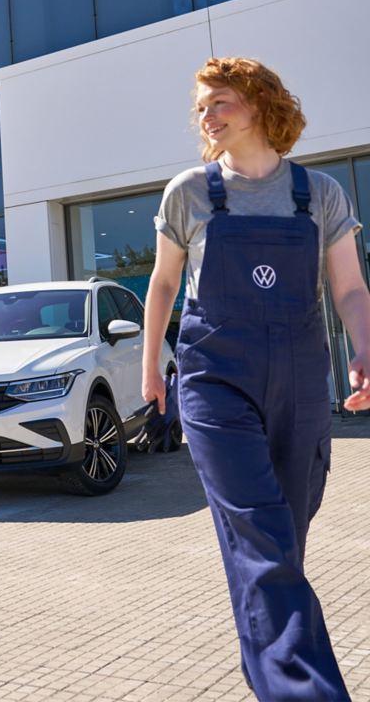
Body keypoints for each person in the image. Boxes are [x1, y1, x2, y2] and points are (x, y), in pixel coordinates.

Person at [141, 57, 370, 701]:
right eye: (201, 108)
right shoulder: (190, 191)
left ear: (260, 103)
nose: (206, 118)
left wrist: (365, 347)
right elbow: (163, 282)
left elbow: (350, 288)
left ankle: (268, 671)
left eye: (219, 103)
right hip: (216, 380)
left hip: (300, 383)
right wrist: (152, 363)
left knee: (279, 544)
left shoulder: (318, 193)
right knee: (263, 541)